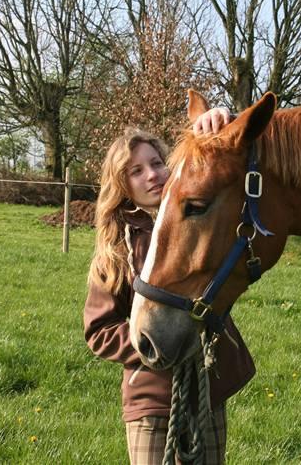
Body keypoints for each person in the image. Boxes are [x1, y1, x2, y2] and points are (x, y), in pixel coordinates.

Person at [83, 108, 254, 465]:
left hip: (206, 392)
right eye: (136, 170)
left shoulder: (196, 225)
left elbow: (229, 154)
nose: (152, 175)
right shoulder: (115, 251)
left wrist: (220, 120)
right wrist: (157, 342)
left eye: (157, 162)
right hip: (151, 400)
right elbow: (98, 330)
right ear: (122, 185)